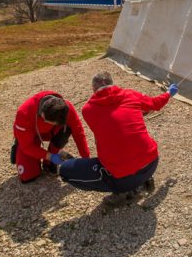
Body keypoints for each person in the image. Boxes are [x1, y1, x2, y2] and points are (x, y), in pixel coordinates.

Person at [59, 71, 177, 205]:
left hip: (122, 178)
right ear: (112, 83)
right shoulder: (131, 95)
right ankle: (142, 181)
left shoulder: (88, 109)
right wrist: (168, 94)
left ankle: (123, 191)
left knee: (65, 170)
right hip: (151, 164)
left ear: (93, 89)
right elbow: (155, 104)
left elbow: (106, 129)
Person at [12, 91, 90, 183]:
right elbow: (27, 146)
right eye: (53, 123)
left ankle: (49, 163)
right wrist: (51, 156)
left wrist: (86, 159)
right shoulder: (24, 113)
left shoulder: (66, 108)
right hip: (29, 137)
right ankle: (18, 147)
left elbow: (78, 133)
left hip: (49, 132)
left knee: (65, 130)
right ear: (43, 116)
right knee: (28, 177)